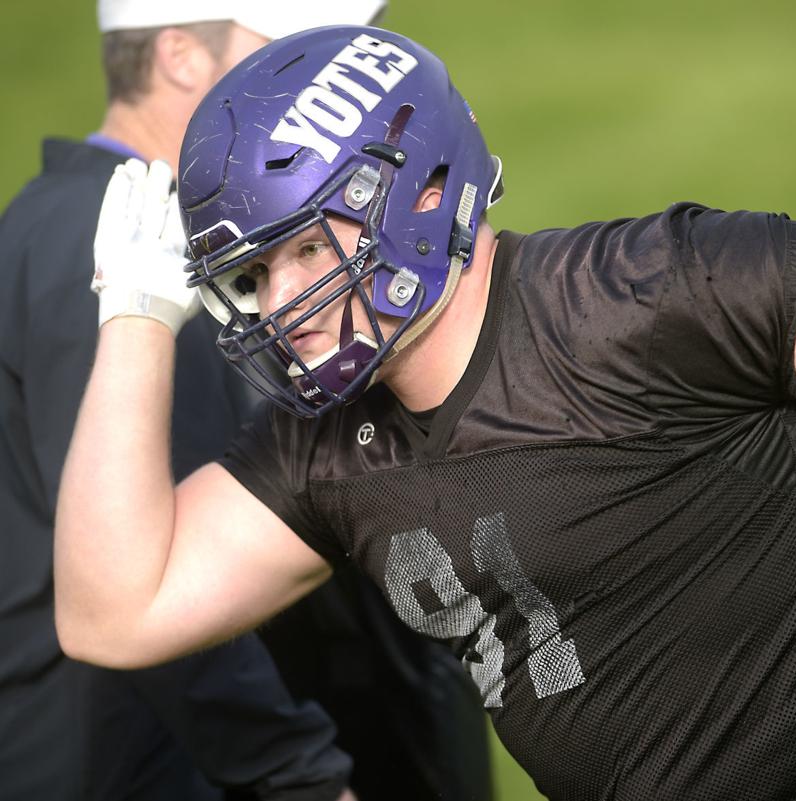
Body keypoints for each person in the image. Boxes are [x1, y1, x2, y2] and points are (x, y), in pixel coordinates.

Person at [55, 24, 796, 801]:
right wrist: (137, 321)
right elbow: (116, 612)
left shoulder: (646, 297)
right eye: (253, 276)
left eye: (307, 248)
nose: (282, 304)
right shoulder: (325, 447)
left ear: (425, 192)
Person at [1, 6, 488, 801]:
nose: (327, 73)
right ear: (180, 54)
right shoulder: (123, 257)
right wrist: (304, 780)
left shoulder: (111, 227)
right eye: (293, 54)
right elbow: (161, 568)